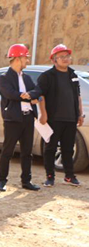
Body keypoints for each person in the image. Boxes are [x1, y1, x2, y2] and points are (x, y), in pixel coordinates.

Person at [37, 44, 84, 187]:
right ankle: (50, 176)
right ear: (54, 60)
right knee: (50, 148)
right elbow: (40, 96)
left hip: (70, 119)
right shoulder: (47, 76)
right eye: (61, 56)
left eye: (67, 56)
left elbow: (78, 96)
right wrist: (43, 114)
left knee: (68, 149)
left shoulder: (73, 75)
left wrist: (80, 114)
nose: (65, 59)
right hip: (53, 119)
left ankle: (69, 176)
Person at [0, 44, 41, 191]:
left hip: (28, 119)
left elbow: (37, 91)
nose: (27, 61)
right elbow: (9, 93)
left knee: (27, 152)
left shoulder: (27, 78)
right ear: (17, 59)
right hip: (13, 120)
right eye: (25, 58)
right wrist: (26, 97)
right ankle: (2, 180)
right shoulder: (4, 77)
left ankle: (26, 181)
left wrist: (32, 96)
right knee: (7, 151)